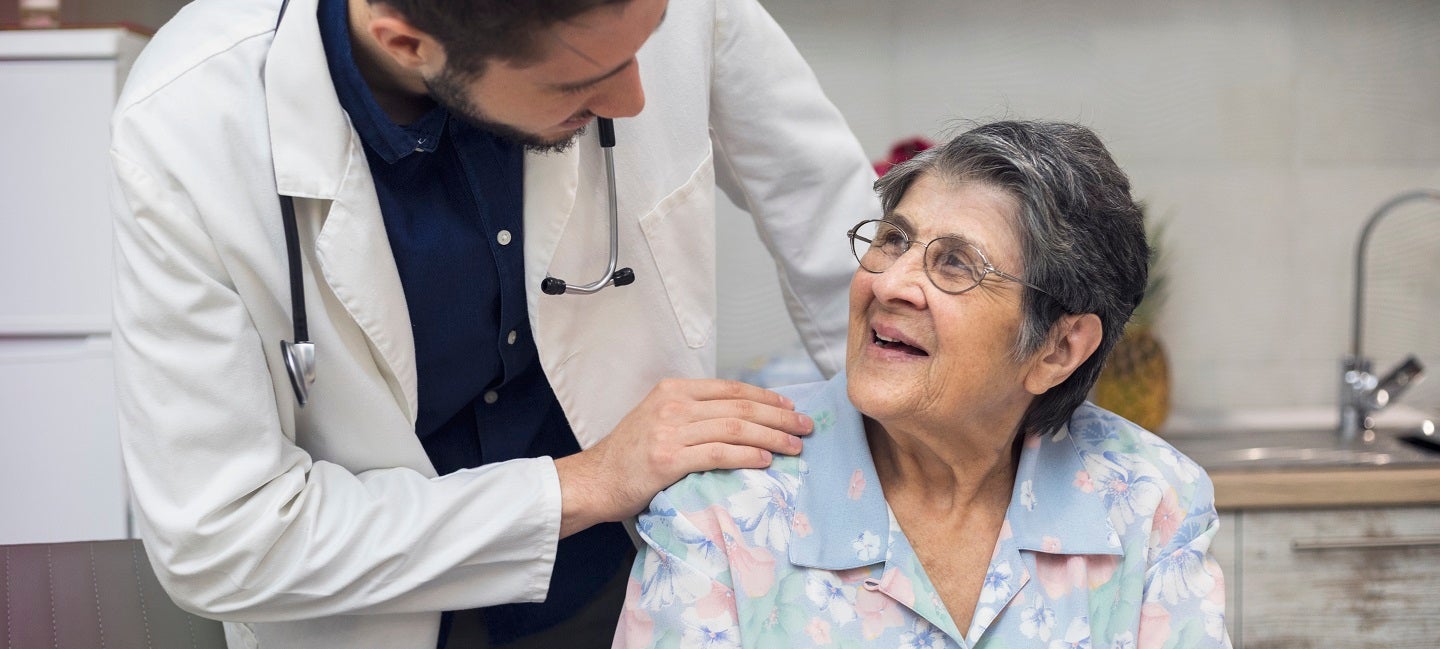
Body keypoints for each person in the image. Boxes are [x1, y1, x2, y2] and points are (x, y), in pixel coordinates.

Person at [108, 0, 879, 646]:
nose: (637, 102)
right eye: (581, 81)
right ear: (405, 41)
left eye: (648, 46)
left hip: (636, 577)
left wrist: (906, 444)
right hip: (361, 613)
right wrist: (589, 482)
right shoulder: (189, 126)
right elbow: (220, 540)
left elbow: (828, 209)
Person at [615, 121, 1231, 649]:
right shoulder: (722, 503)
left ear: (1057, 348)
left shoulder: (1151, 504)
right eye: (893, 241)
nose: (889, 283)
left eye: (956, 263)